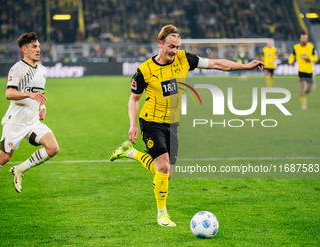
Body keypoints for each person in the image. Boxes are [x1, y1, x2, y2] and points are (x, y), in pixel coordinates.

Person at [109, 25, 264, 227]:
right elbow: (134, 99)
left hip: (172, 124)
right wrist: (133, 124)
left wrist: (245, 67)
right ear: (160, 43)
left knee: (167, 173)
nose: (174, 51)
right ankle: (162, 215)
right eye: (171, 46)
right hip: (151, 122)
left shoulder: (185, 59)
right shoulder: (145, 70)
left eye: (178, 46)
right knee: (163, 168)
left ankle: (130, 152)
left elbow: (216, 63)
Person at [0, 32, 59, 204]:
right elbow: (9, 93)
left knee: (53, 148)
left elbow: (39, 94)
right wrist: (29, 96)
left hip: (32, 120)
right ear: (24, 49)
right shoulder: (18, 69)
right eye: (33, 47)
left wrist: (42, 107)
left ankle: (19, 170)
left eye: (38, 46)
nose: (38, 50)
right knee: (4, 157)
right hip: (15, 119)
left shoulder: (43, 70)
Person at [288, 31, 318, 110]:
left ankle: (303, 96)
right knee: (301, 86)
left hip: (309, 70)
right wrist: (290, 61)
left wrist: (310, 59)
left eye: (305, 38)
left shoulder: (311, 47)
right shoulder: (296, 47)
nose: (304, 39)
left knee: (308, 88)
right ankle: (303, 104)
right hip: (301, 70)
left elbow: (315, 57)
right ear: (300, 39)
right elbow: (292, 55)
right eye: (302, 38)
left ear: (307, 39)